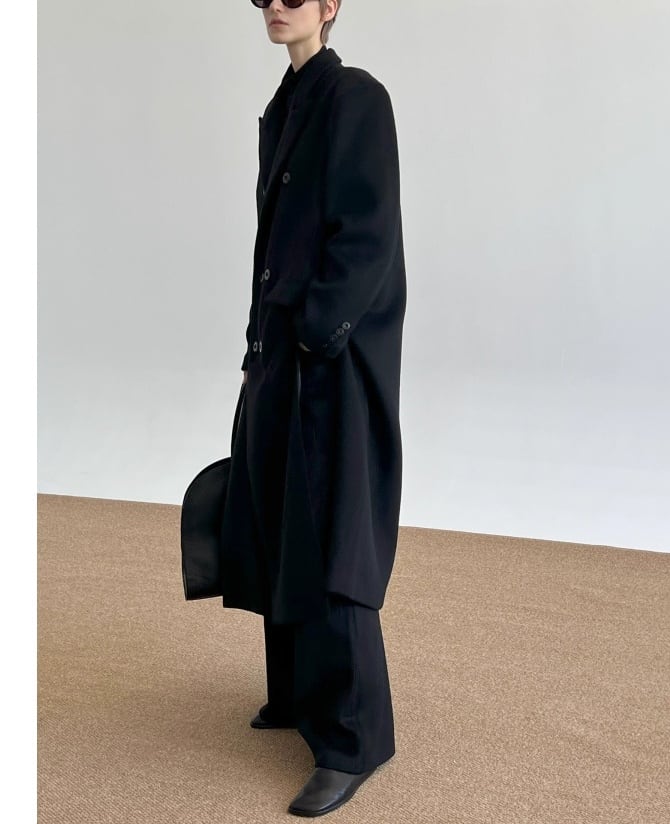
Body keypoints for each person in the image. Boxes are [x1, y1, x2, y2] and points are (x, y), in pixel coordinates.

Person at [219, 0, 406, 817]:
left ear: (331, 7)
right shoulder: (284, 107)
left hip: (328, 360)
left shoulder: (356, 95)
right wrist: (264, 345)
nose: (276, 5)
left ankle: (355, 740)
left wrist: (315, 333)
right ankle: (298, 695)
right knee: (279, 521)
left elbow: (367, 234)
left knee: (332, 535)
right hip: (280, 355)